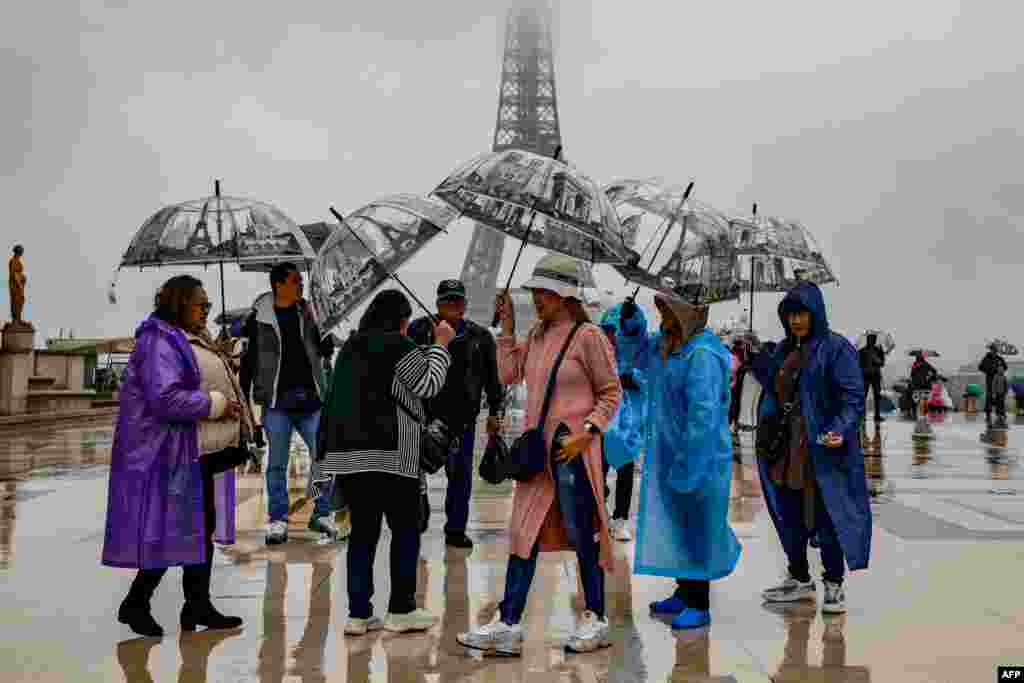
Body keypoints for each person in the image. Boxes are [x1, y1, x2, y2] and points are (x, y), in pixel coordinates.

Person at [457, 254, 623, 656]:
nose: (537, 299)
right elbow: (508, 373)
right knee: (523, 534)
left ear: (564, 295)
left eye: (543, 293)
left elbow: (611, 391)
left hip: (571, 452)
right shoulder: (535, 335)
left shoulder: (588, 336)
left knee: (584, 534)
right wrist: (508, 329)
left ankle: (596, 617)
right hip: (537, 454)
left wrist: (588, 433)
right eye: (535, 292)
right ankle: (509, 623)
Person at [103, 275, 244, 637]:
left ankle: (196, 604)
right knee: (174, 528)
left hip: (194, 447)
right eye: (200, 302)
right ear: (178, 303)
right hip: (168, 450)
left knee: (200, 525)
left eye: (208, 303)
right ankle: (137, 602)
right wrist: (214, 404)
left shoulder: (183, 337)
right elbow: (165, 398)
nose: (207, 309)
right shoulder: (157, 341)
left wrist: (221, 357)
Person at [312, 289, 455, 635]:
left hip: (353, 458)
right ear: (401, 320)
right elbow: (428, 383)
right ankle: (401, 608)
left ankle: (358, 614)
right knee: (406, 530)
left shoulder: (351, 347)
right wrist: (442, 344)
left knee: (363, 534)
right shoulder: (396, 345)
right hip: (394, 455)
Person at [751, 281, 871, 614]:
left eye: (802, 313)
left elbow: (852, 398)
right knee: (788, 515)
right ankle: (799, 578)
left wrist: (839, 429)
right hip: (786, 449)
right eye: (790, 315)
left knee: (826, 517)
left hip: (821, 449)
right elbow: (776, 387)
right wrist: (755, 358)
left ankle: (833, 584)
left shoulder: (836, 349)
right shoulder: (785, 350)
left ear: (815, 313)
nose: (796, 321)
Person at [639, 293, 741, 629]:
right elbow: (633, 354)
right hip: (674, 454)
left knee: (698, 527)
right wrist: (628, 326)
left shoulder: (702, 354)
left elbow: (704, 416)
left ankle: (700, 603)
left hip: (701, 458)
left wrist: (690, 464)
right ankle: (684, 592)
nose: (661, 315)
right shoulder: (673, 347)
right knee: (681, 526)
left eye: (667, 309)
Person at [240, 262, 339, 545]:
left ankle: (321, 513)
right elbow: (248, 362)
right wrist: (246, 402)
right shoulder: (258, 318)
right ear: (278, 284)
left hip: (311, 399)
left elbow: (324, 349)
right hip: (277, 402)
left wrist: (325, 338)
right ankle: (278, 519)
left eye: (301, 280)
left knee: (324, 457)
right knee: (277, 463)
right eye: (296, 280)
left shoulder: (310, 311)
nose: (301, 285)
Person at [407, 279, 504, 549]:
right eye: (447, 301)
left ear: (465, 304)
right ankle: (417, 517)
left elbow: (492, 380)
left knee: (460, 478)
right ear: (437, 304)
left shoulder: (481, 336)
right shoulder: (419, 329)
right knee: (416, 475)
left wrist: (496, 411)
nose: (453, 306)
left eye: (458, 301)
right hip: (423, 418)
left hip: (462, 422)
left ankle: (456, 529)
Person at [598, 298, 652, 542]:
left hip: (627, 423)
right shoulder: (600, 352)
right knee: (598, 470)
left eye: (614, 331)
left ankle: (620, 519)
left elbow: (645, 375)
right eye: (606, 331)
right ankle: (599, 516)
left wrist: (632, 379)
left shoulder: (637, 349)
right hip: (604, 420)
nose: (610, 337)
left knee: (626, 471)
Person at [858, 334, 887, 422]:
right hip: (865, 376)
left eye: (873, 339)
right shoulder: (862, 351)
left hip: (875, 376)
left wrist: (876, 359)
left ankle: (877, 416)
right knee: (863, 396)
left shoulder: (878, 350)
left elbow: (882, 363)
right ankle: (862, 416)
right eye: (870, 339)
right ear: (867, 340)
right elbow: (858, 363)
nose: (871, 341)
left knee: (877, 397)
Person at [979, 343, 1009, 427]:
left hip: (999, 380)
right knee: (989, 396)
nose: (994, 351)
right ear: (990, 350)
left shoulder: (1000, 358)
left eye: (995, 350)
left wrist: (1000, 371)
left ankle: (1000, 414)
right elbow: (980, 367)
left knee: (1000, 397)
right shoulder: (986, 358)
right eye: (993, 350)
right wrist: (990, 371)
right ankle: (988, 414)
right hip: (990, 380)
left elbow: (1005, 367)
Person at [8, 244, 26, 323]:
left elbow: (19, 273)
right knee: (16, 301)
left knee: (20, 300)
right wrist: (20, 285)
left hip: (19, 284)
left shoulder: (18, 261)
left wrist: (23, 278)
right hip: (15, 285)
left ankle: (18, 318)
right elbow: (14, 274)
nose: (21, 253)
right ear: (18, 252)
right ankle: (15, 319)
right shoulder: (13, 261)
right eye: (21, 251)